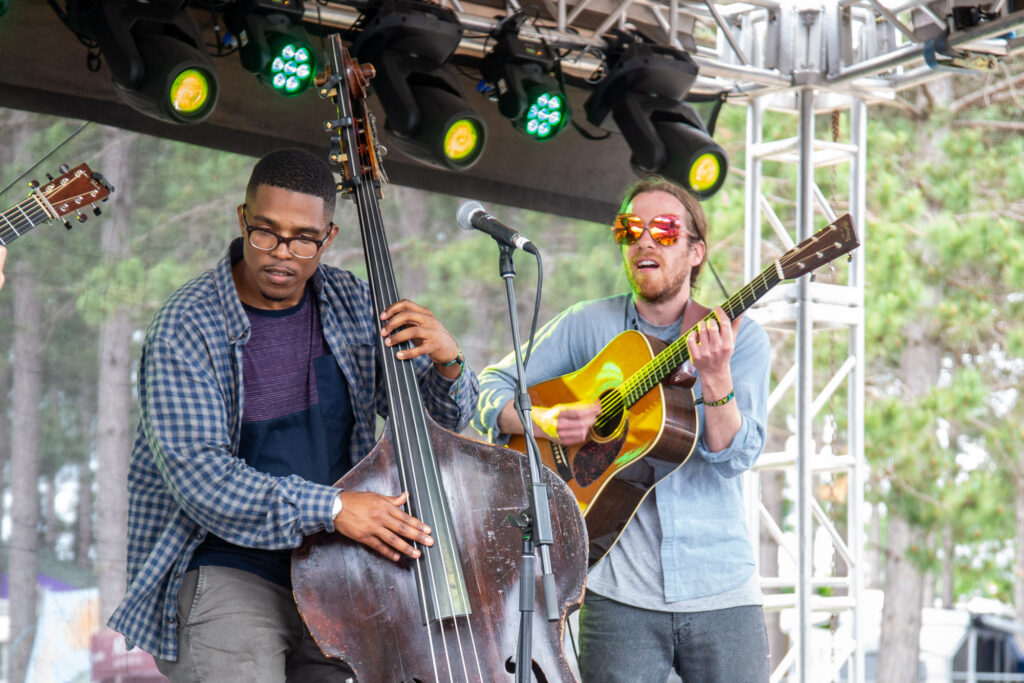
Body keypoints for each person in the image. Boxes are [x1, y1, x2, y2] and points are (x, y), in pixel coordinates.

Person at [108, 148, 479, 681]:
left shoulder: (353, 302)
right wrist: (333, 507)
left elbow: (436, 426)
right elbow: (202, 478)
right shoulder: (186, 325)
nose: (282, 253)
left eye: (304, 239)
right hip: (229, 563)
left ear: (328, 237)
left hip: (341, 570)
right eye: (266, 232)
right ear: (242, 219)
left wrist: (448, 363)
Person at [473, 176, 771, 682]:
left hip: (721, 587)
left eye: (665, 229)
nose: (645, 241)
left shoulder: (738, 339)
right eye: (630, 229)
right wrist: (543, 422)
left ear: (696, 251)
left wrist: (717, 377)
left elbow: (735, 458)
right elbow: (490, 386)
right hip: (617, 593)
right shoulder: (586, 325)